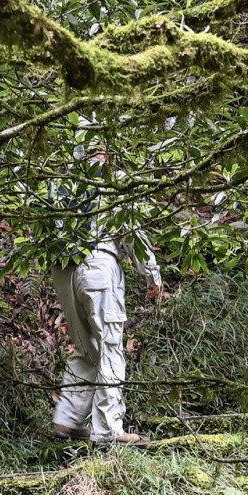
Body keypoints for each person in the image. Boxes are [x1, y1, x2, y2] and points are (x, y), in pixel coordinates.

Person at [49, 164, 163, 444]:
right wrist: (152, 274)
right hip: (98, 264)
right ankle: (109, 431)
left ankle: (67, 421)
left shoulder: (57, 176)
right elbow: (130, 230)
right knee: (110, 348)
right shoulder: (113, 178)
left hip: (63, 270)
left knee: (86, 348)